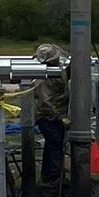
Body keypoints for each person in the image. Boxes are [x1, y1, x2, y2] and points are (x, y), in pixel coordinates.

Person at [33, 40, 68, 184]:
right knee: (55, 147)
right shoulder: (44, 78)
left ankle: (49, 177)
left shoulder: (55, 72)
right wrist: (59, 118)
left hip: (53, 117)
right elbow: (45, 102)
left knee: (52, 146)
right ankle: (54, 180)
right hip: (49, 119)